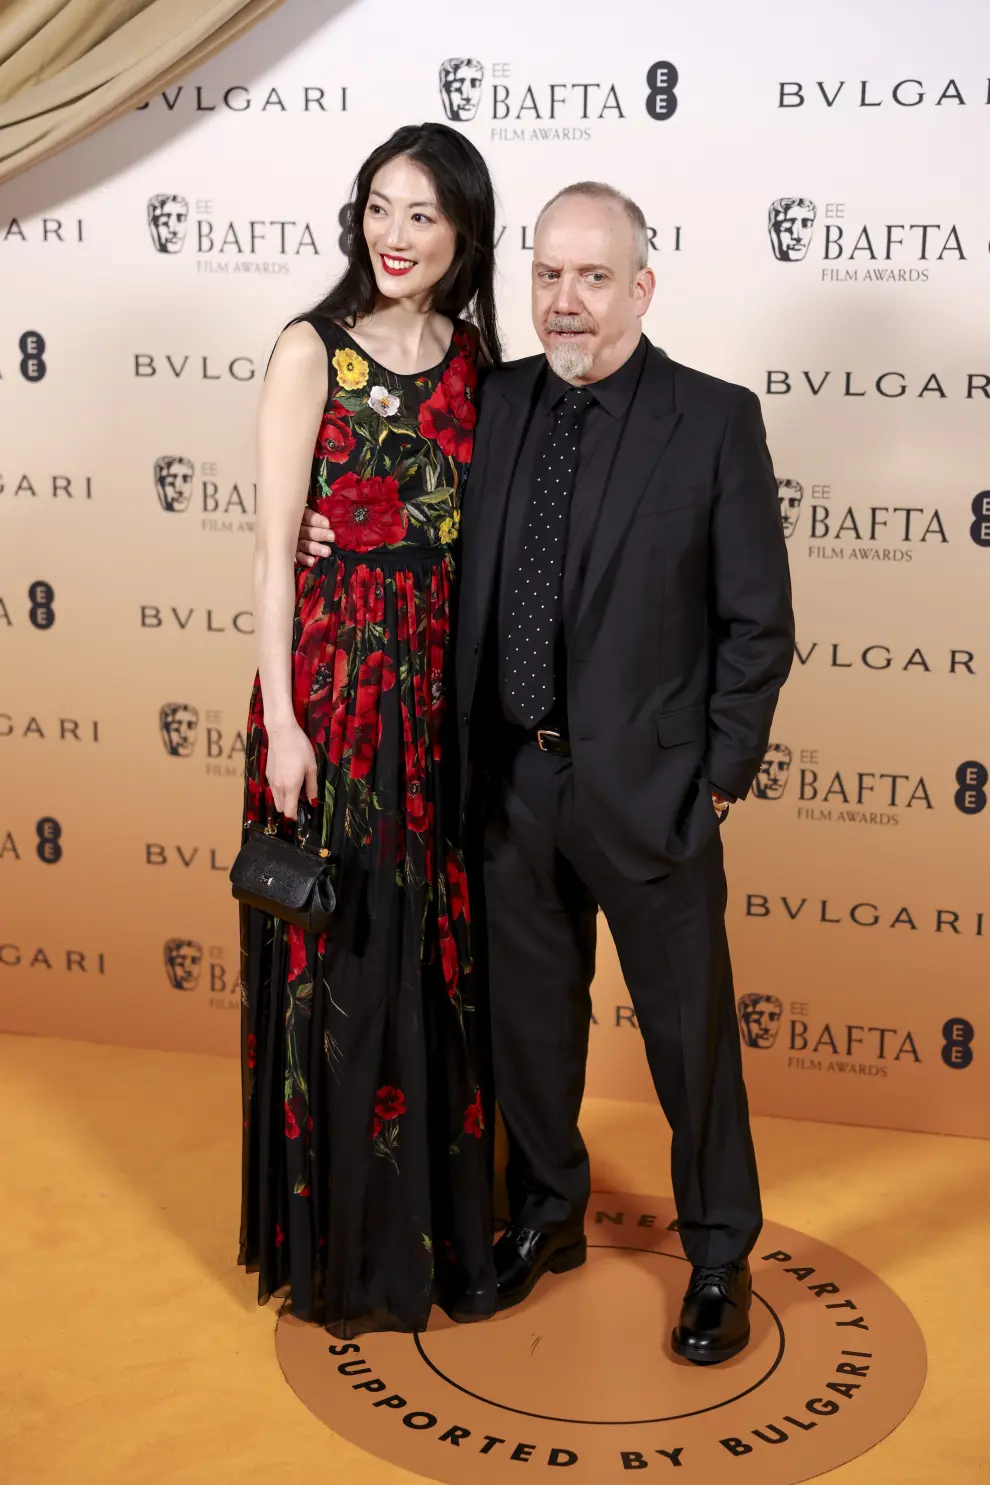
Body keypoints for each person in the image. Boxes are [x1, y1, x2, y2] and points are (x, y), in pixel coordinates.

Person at [298, 180, 794, 1366]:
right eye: (547, 276)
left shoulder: (712, 419)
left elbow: (757, 623)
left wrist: (714, 779)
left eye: (592, 277)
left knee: (690, 1041)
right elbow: (398, 489)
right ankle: (549, 1211)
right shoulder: (495, 396)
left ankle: (719, 1251)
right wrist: (326, 528)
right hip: (509, 781)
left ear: (641, 286)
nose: (565, 302)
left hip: (652, 795)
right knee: (528, 1027)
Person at [239, 122, 501, 1339]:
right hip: (336, 694)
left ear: (461, 236)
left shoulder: (477, 359)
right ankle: (345, 1251)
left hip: (436, 695)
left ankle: (433, 1235)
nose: (393, 236)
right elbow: (270, 544)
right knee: (340, 960)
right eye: (379, 208)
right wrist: (283, 721)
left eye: (422, 217)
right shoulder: (310, 348)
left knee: (431, 956)